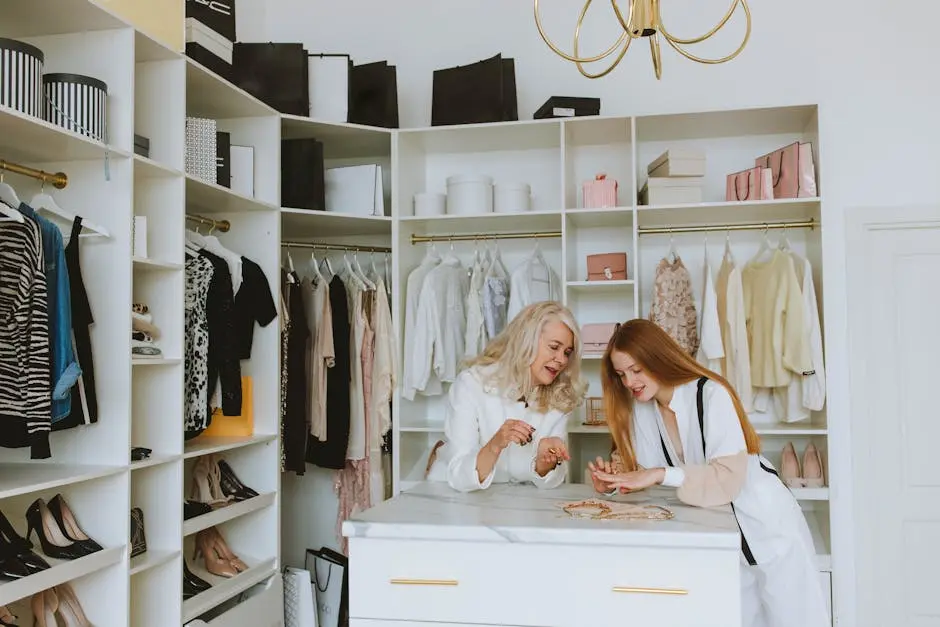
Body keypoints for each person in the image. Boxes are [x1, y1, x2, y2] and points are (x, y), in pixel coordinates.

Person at [589, 319, 828, 627]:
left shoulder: (711, 394)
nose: (629, 382)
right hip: (719, 537)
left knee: (796, 619)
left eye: (636, 370)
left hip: (767, 526)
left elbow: (725, 478)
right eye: (621, 375)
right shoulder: (643, 411)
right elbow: (646, 477)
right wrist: (613, 482)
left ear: (657, 358)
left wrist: (661, 474)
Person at [438, 301, 588, 492]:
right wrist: (495, 445)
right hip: (462, 501)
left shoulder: (561, 397)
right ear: (527, 340)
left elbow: (552, 480)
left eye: (567, 353)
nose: (561, 360)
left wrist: (545, 463)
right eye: (554, 347)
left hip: (522, 508)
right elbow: (458, 475)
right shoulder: (471, 384)